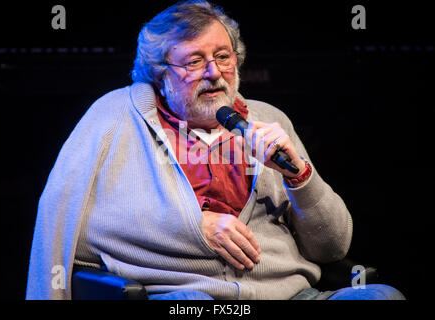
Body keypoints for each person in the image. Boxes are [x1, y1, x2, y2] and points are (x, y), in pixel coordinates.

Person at [26, 0, 405, 300]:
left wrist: (299, 176)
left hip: (288, 293)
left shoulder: (268, 120)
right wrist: (191, 227)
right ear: (160, 73)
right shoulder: (114, 117)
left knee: (381, 296)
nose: (214, 72)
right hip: (180, 295)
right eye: (195, 61)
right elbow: (70, 226)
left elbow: (334, 247)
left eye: (223, 56)